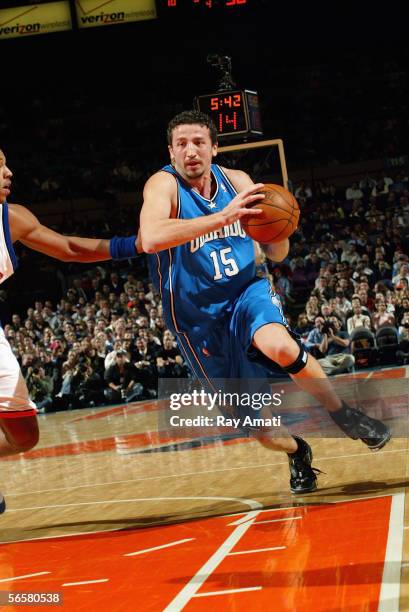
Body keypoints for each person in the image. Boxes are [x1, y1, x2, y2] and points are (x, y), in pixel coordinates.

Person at [139, 110, 390, 496]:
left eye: (199, 142)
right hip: (197, 320)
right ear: (170, 152)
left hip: (245, 292)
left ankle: (344, 414)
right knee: (259, 430)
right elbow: (152, 236)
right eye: (182, 144)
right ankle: (297, 450)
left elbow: (275, 253)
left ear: (214, 148)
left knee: (281, 345)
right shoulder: (163, 185)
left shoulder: (238, 181)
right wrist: (223, 217)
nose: (191, 151)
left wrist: (279, 227)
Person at [0, 149, 139, 514]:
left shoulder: (12, 219)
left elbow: (68, 248)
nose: (9, 172)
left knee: (24, 436)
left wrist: (135, 245)